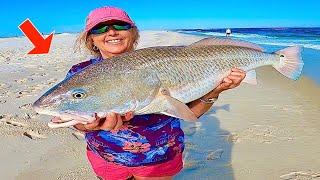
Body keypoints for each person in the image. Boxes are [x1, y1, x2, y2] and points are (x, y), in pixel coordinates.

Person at [53, 6, 246, 180]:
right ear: (91, 39)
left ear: (133, 33)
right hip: (107, 158)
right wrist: (89, 126)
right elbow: (75, 114)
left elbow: (192, 113)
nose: (111, 31)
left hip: (159, 159)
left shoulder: (164, 61)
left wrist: (217, 90)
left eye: (120, 25)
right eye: (100, 28)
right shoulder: (79, 73)